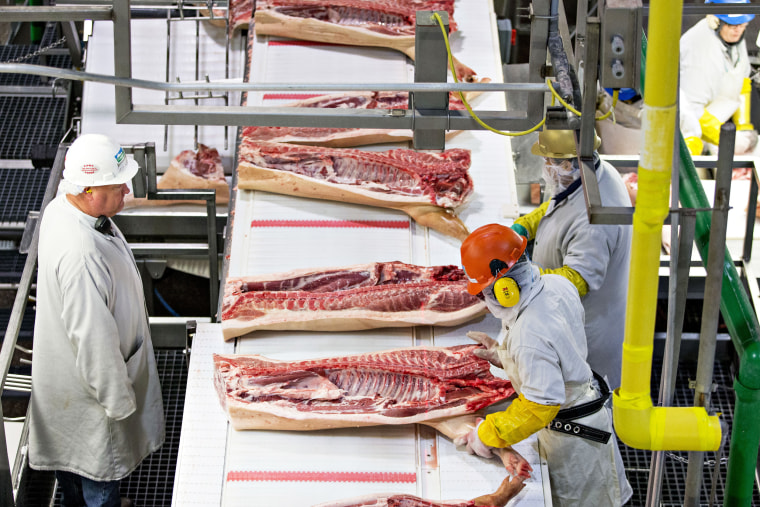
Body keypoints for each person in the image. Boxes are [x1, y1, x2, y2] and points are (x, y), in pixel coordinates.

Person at [28, 134, 165, 507]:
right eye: (116, 184)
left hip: (71, 388)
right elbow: (93, 342)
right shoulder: (81, 254)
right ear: (88, 190)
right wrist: (120, 404)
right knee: (100, 479)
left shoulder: (68, 208)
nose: (126, 189)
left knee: (75, 474)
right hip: (94, 397)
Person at [459, 223, 632, 506]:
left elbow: (540, 406)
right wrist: (505, 355)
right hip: (586, 405)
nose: (483, 300)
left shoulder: (530, 335)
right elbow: (558, 347)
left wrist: (489, 434)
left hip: (572, 439)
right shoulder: (557, 284)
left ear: (504, 289)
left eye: (483, 292)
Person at [510, 128, 632, 390]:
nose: (544, 167)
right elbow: (561, 203)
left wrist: (525, 278)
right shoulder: (588, 174)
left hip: (585, 335)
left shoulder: (594, 225)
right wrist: (527, 225)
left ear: (566, 164)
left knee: (581, 408)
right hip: (564, 320)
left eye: (547, 161)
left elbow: (577, 280)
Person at [680, 0, 758, 156]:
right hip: (689, 128)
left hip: (718, 118)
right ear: (715, 21)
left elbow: (742, 81)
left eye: (743, 25)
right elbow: (690, 109)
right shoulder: (698, 46)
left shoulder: (735, 37)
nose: (738, 31)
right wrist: (725, 138)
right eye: (733, 26)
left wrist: (743, 126)